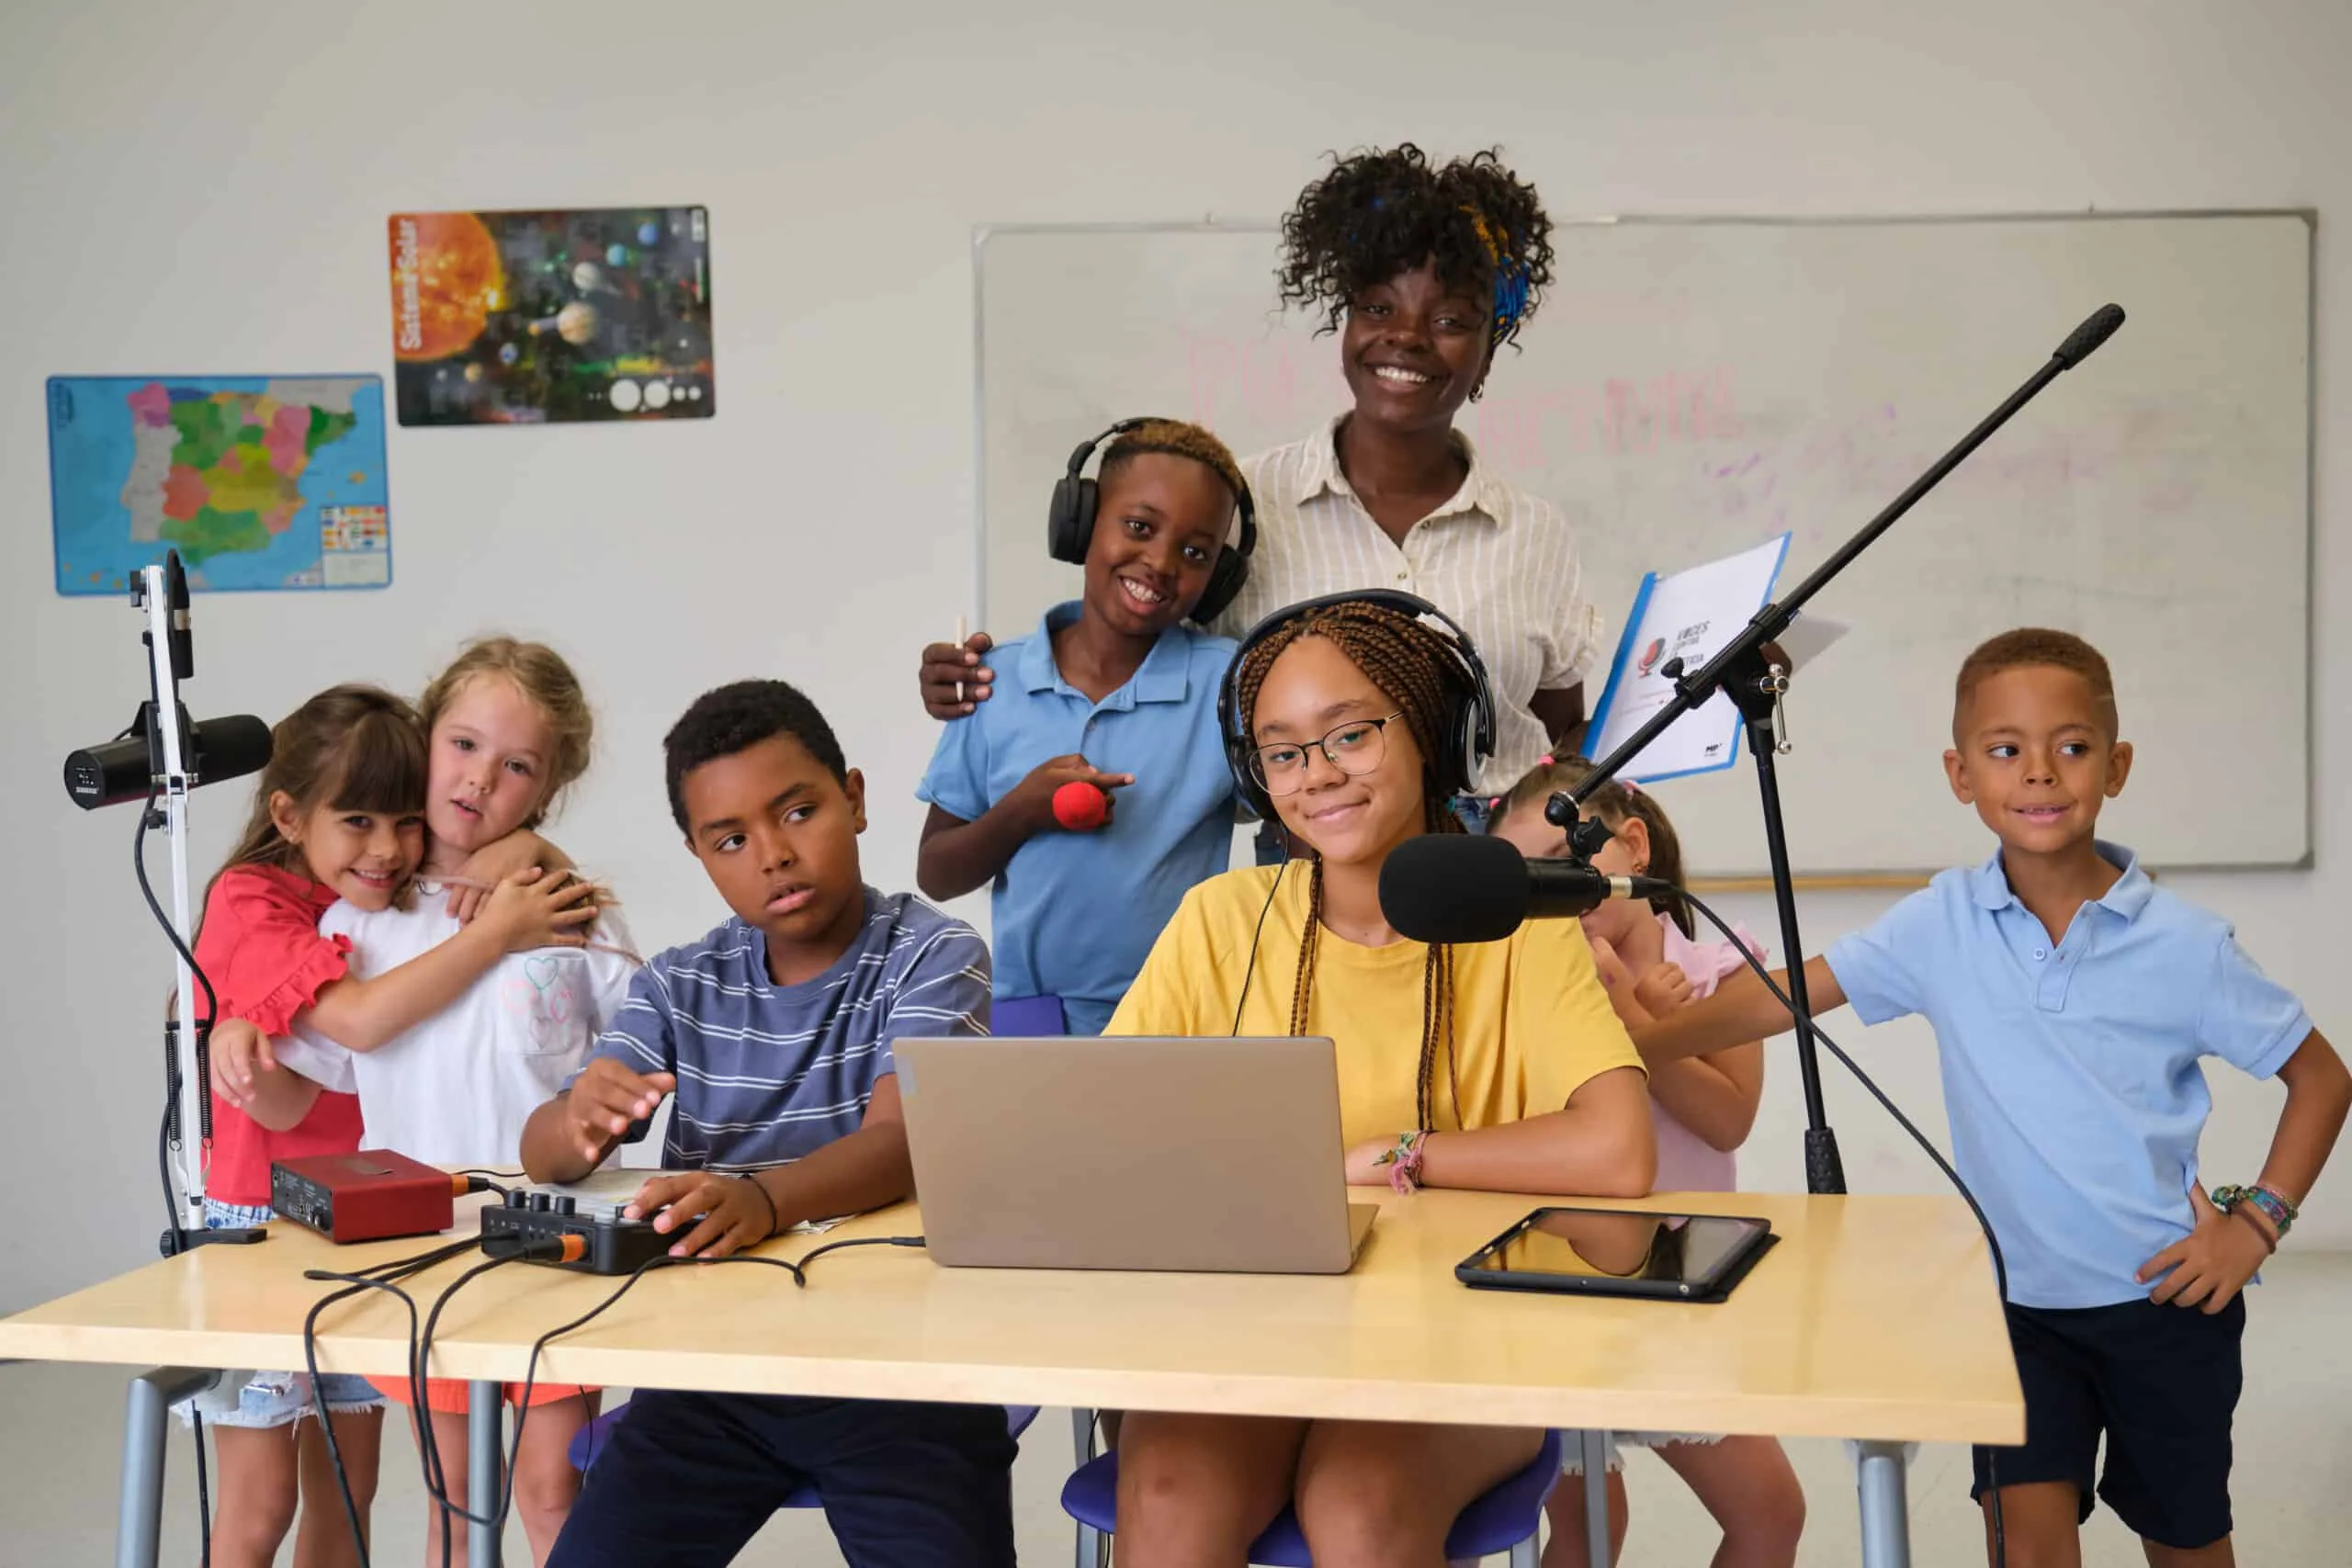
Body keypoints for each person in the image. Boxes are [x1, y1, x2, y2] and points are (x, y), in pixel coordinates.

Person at [1631, 628, 2352, 1568]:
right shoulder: (1941, 922)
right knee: (2025, 1543)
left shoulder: (2186, 944)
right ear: (1960, 773)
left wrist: (2254, 1222)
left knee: (2184, 1544)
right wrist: (1636, 1040)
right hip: (2013, 1311)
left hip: (2165, 1306)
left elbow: (2321, 1077)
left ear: (2116, 764)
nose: (2040, 773)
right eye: (2005, 750)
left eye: (2072, 747)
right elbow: (1786, 998)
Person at [1103, 593, 1653, 1566]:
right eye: (1282, 753)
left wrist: (1403, 1158)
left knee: (1357, 1504)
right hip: (1257, 1332)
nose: (1317, 776)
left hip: (1470, 1331)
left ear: (1432, 730)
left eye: (1349, 735)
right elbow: (1104, 1133)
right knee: (1167, 1490)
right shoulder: (1219, 919)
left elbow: (1616, 1152)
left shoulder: (1517, 920)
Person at [922, 144, 1604, 825]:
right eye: (1377, 307)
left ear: (1491, 347)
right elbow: (1118, 654)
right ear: (1347, 321)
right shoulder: (1238, 509)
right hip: (1307, 871)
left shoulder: (1534, 532)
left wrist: (1538, 837)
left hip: (1498, 884)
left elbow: (1563, 734)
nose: (1408, 337)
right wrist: (983, 683)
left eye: (1451, 321)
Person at [519, 679, 1014, 1568]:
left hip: (902, 1378)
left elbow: (904, 1145)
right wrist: (576, 1121)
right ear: (698, 855)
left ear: (855, 799)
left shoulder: (935, 956)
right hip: (712, 1377)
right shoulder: (679, 981)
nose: (774, 856)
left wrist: (763, 1198)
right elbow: (545, 1154)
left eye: (797, 812)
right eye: (733, 840)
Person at [227, 639, 635, 1567]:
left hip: (561, 1244)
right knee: (456, 1499)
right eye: (463, 745)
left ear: (547, 788)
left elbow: (642, 1040)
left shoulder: (569, 907)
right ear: (424, 742)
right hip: (426, 1250)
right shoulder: (356, 920)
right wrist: (244, 1049)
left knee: (552, 1485)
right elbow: (304, 1094)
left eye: (517, 766)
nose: (480, 779)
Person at [1490, 756, 1804, 1568]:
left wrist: (1628, 1008)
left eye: (1567, 864)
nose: (1550, 891)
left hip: (1678, 1284)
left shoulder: (1719, 973)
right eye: (1527, 876)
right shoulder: (1523, 985)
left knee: (1770, 1511)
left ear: (1633, 847)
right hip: (1558, 1283)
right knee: (1593, 1520)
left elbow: (1727, 1118)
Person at [916, 417, 1250, 1033]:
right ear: (1082, 522)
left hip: (1186, 1012)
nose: (1160, 562)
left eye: (1195, 552)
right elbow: (936, 872)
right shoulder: (994, 680)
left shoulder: (1227, 684)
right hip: (1032, 1016)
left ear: (1218, 577)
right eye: (1140, 527)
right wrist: (1020, 811)